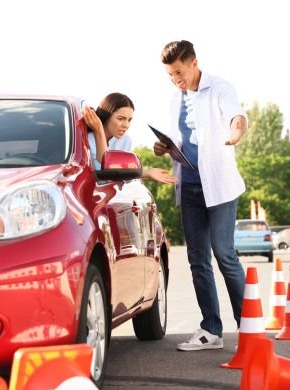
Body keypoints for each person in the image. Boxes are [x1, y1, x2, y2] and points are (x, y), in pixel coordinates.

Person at [153, 40, 248, 351]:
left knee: (224, 254)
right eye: (170, 75)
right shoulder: (174, 101)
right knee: (197, 259)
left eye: (179, 72)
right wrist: (163, 147)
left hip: (219, 184)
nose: (176, 80)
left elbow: (236, 116)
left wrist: (235, 132)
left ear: (193, 63)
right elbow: (180, 140)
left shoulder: (219, 87)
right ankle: (211, 330)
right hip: (190, 186)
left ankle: (249, 325)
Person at [83, 92, 176, 184]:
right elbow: (105, 170)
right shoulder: (85, 140)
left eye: (129, 120)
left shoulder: (125, 141)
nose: (126, 125)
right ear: (106, 116)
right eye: (120, 119)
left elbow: (122, 176)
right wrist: (146, 173)